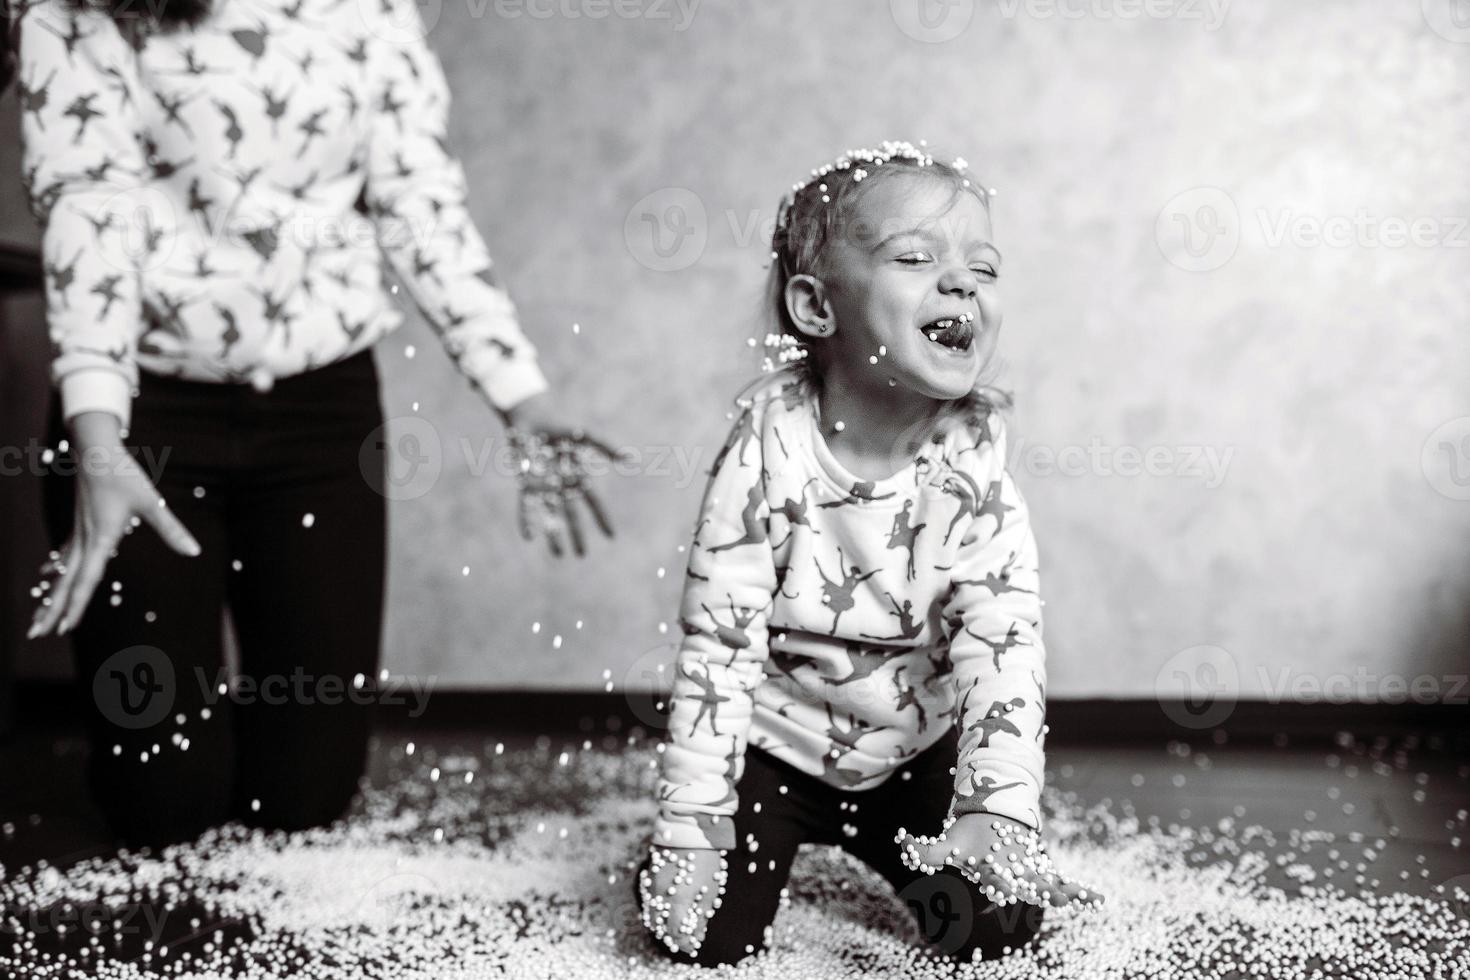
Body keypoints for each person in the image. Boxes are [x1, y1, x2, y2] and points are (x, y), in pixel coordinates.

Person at [12, 0, 613, 847]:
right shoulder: (73, 12)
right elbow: (89, 207)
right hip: (142, 418)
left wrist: (518, 392)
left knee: (305, 798)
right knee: (163, 806)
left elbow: (418, 199)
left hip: (318, 418)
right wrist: (98, 439)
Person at [636, 141, 1102, 966]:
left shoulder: (971, 466)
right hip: (771, 753)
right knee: (697, 933)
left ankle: (938, 847)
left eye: (983, 269)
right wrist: (691, 831)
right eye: (916, 258)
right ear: (817, 308)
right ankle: (710, 851)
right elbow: (717, 652)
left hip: (910, 755)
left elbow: (1004, 644)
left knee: (996, 929)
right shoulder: (765, 452)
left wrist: (997, 808)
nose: (960, 282)